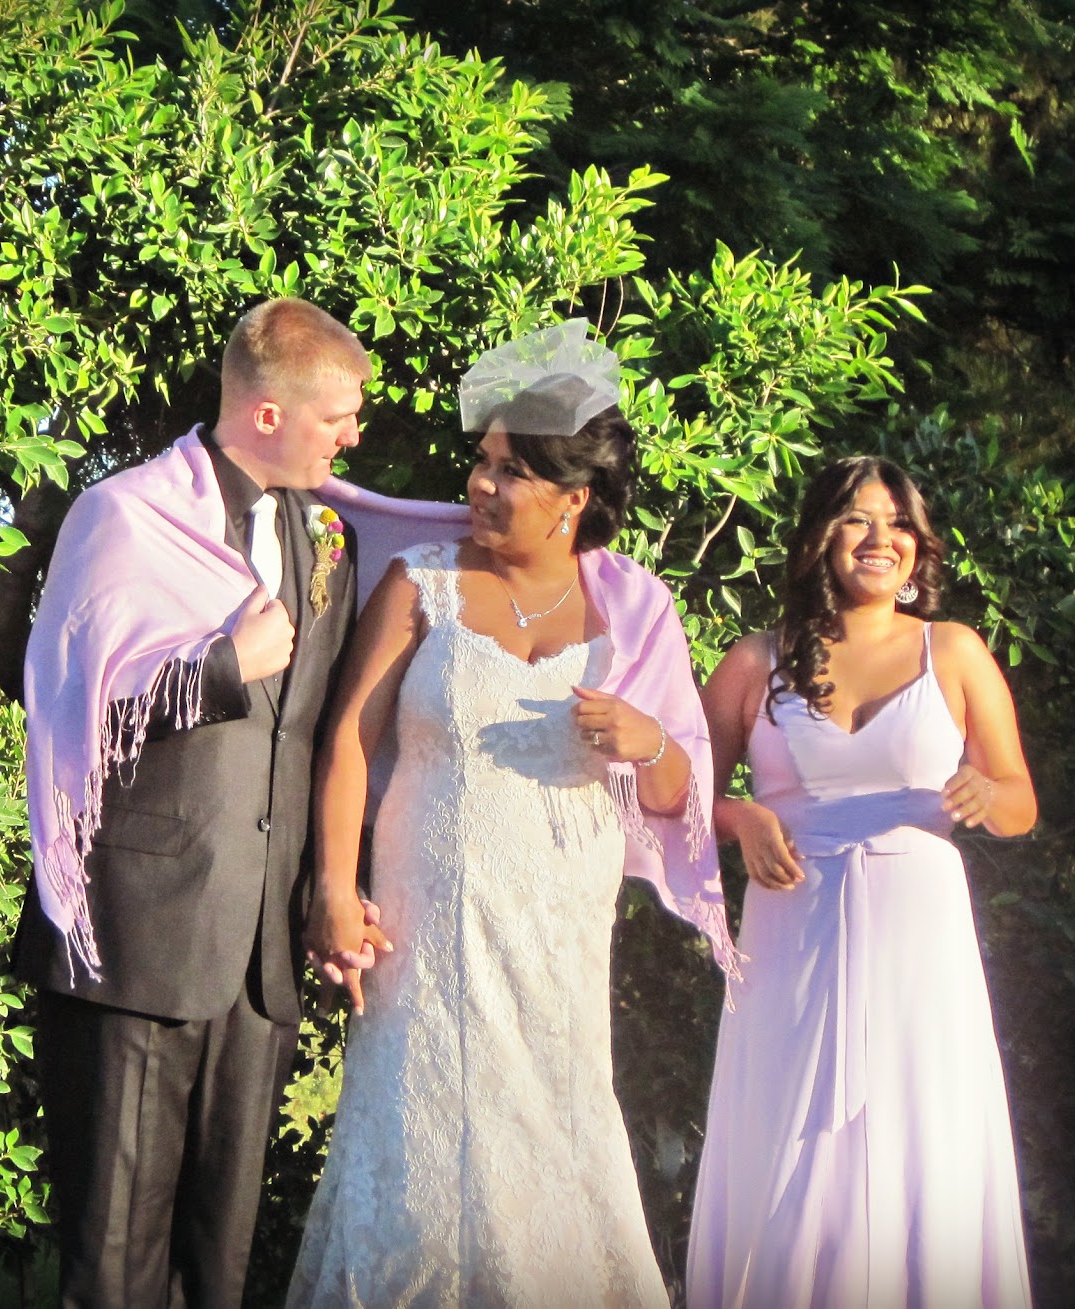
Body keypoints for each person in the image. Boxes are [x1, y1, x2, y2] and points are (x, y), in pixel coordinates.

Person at [286, 320, 737, 1308]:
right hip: (426, 923)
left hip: (556, 929)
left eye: (511, 473)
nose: (481, 487)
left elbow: (677, 802)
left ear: (573, 500)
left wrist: (647, 741)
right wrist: (332, 885)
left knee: (551, 1131)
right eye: (482, 464)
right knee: (417, 1133)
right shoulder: (421, 586)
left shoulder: (631, 613)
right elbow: (348, 745)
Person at [10, 297, 379, 1309]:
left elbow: (319, 731)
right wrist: (222, 667)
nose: (353, 435)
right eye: (337, 415)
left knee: (217, 1260)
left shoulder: (326, 534)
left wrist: (328, 893)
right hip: (136, 940)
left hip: (257, 953)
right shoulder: (124, 513)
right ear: (269, 414)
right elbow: (67, 694)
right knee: (115, 1257)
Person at [686, 456, 1036, 1308]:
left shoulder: (952, 650)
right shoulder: (753, 663)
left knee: (924, 1131)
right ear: (816, 538)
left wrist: (989, 793)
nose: (881, 539)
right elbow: (676, 794)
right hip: (791, 937)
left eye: (898, 523)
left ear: (919, 546)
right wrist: (741, 819)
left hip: (923, 948)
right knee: (790, 1145)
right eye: (857, 519)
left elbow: (1022, 798)